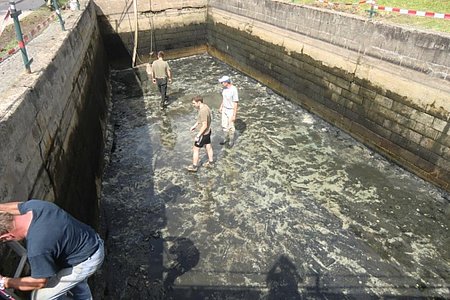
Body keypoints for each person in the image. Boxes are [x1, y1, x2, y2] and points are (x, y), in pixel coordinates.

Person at [0, 199, 104, 300]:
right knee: (76, 284)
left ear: (6, 237)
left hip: (86, 260)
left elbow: (39, 282)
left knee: (39, 297)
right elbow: (18, 206)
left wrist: (4, 282)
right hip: (89, 240)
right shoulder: (37, 206)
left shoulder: (37, 248)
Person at [187, 95, 214, 172]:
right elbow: (201, 120)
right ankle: (211, 163)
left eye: (194, 103)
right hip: (208, 131)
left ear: (199, 102)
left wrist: (198, 135)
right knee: (208, 146)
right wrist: (194, 126)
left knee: (195, 149)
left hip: (203, 133)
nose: (193, 105)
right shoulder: (205, 106)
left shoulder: (202, 111)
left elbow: (204, 125)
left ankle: (194, 166)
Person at [218, 75, 239, 146]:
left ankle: (231, 141)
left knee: (231, 127)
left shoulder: (234, 89)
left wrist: (234, 115)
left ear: (227, 82)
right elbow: (224, 99)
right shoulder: (224, 89)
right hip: (224, 109)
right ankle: (225, 139)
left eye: (222, 82)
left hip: (231, 110)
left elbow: (235, 102)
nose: (221, 84)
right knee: (224, 126)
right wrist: (221, 106)